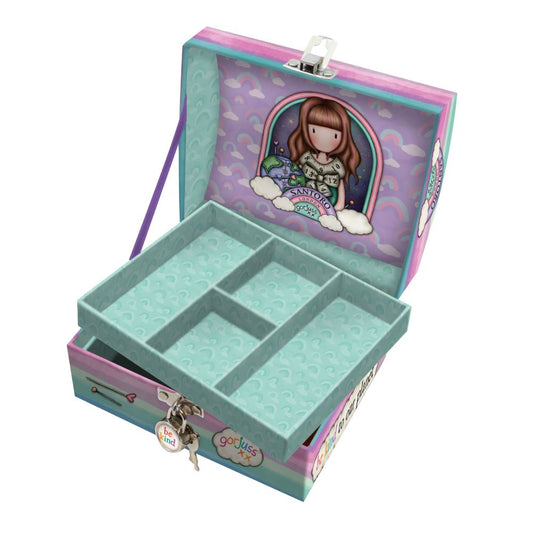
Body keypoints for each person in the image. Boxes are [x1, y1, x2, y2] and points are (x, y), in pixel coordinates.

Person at [287, 97, 360, 211]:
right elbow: (296, 175)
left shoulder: (337, 166)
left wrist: (338, 207)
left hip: (328, 203)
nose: (324, 139)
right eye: (314, 131)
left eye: (335, 136)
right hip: (302, 198)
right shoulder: (307, 158)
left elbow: (340, 187)